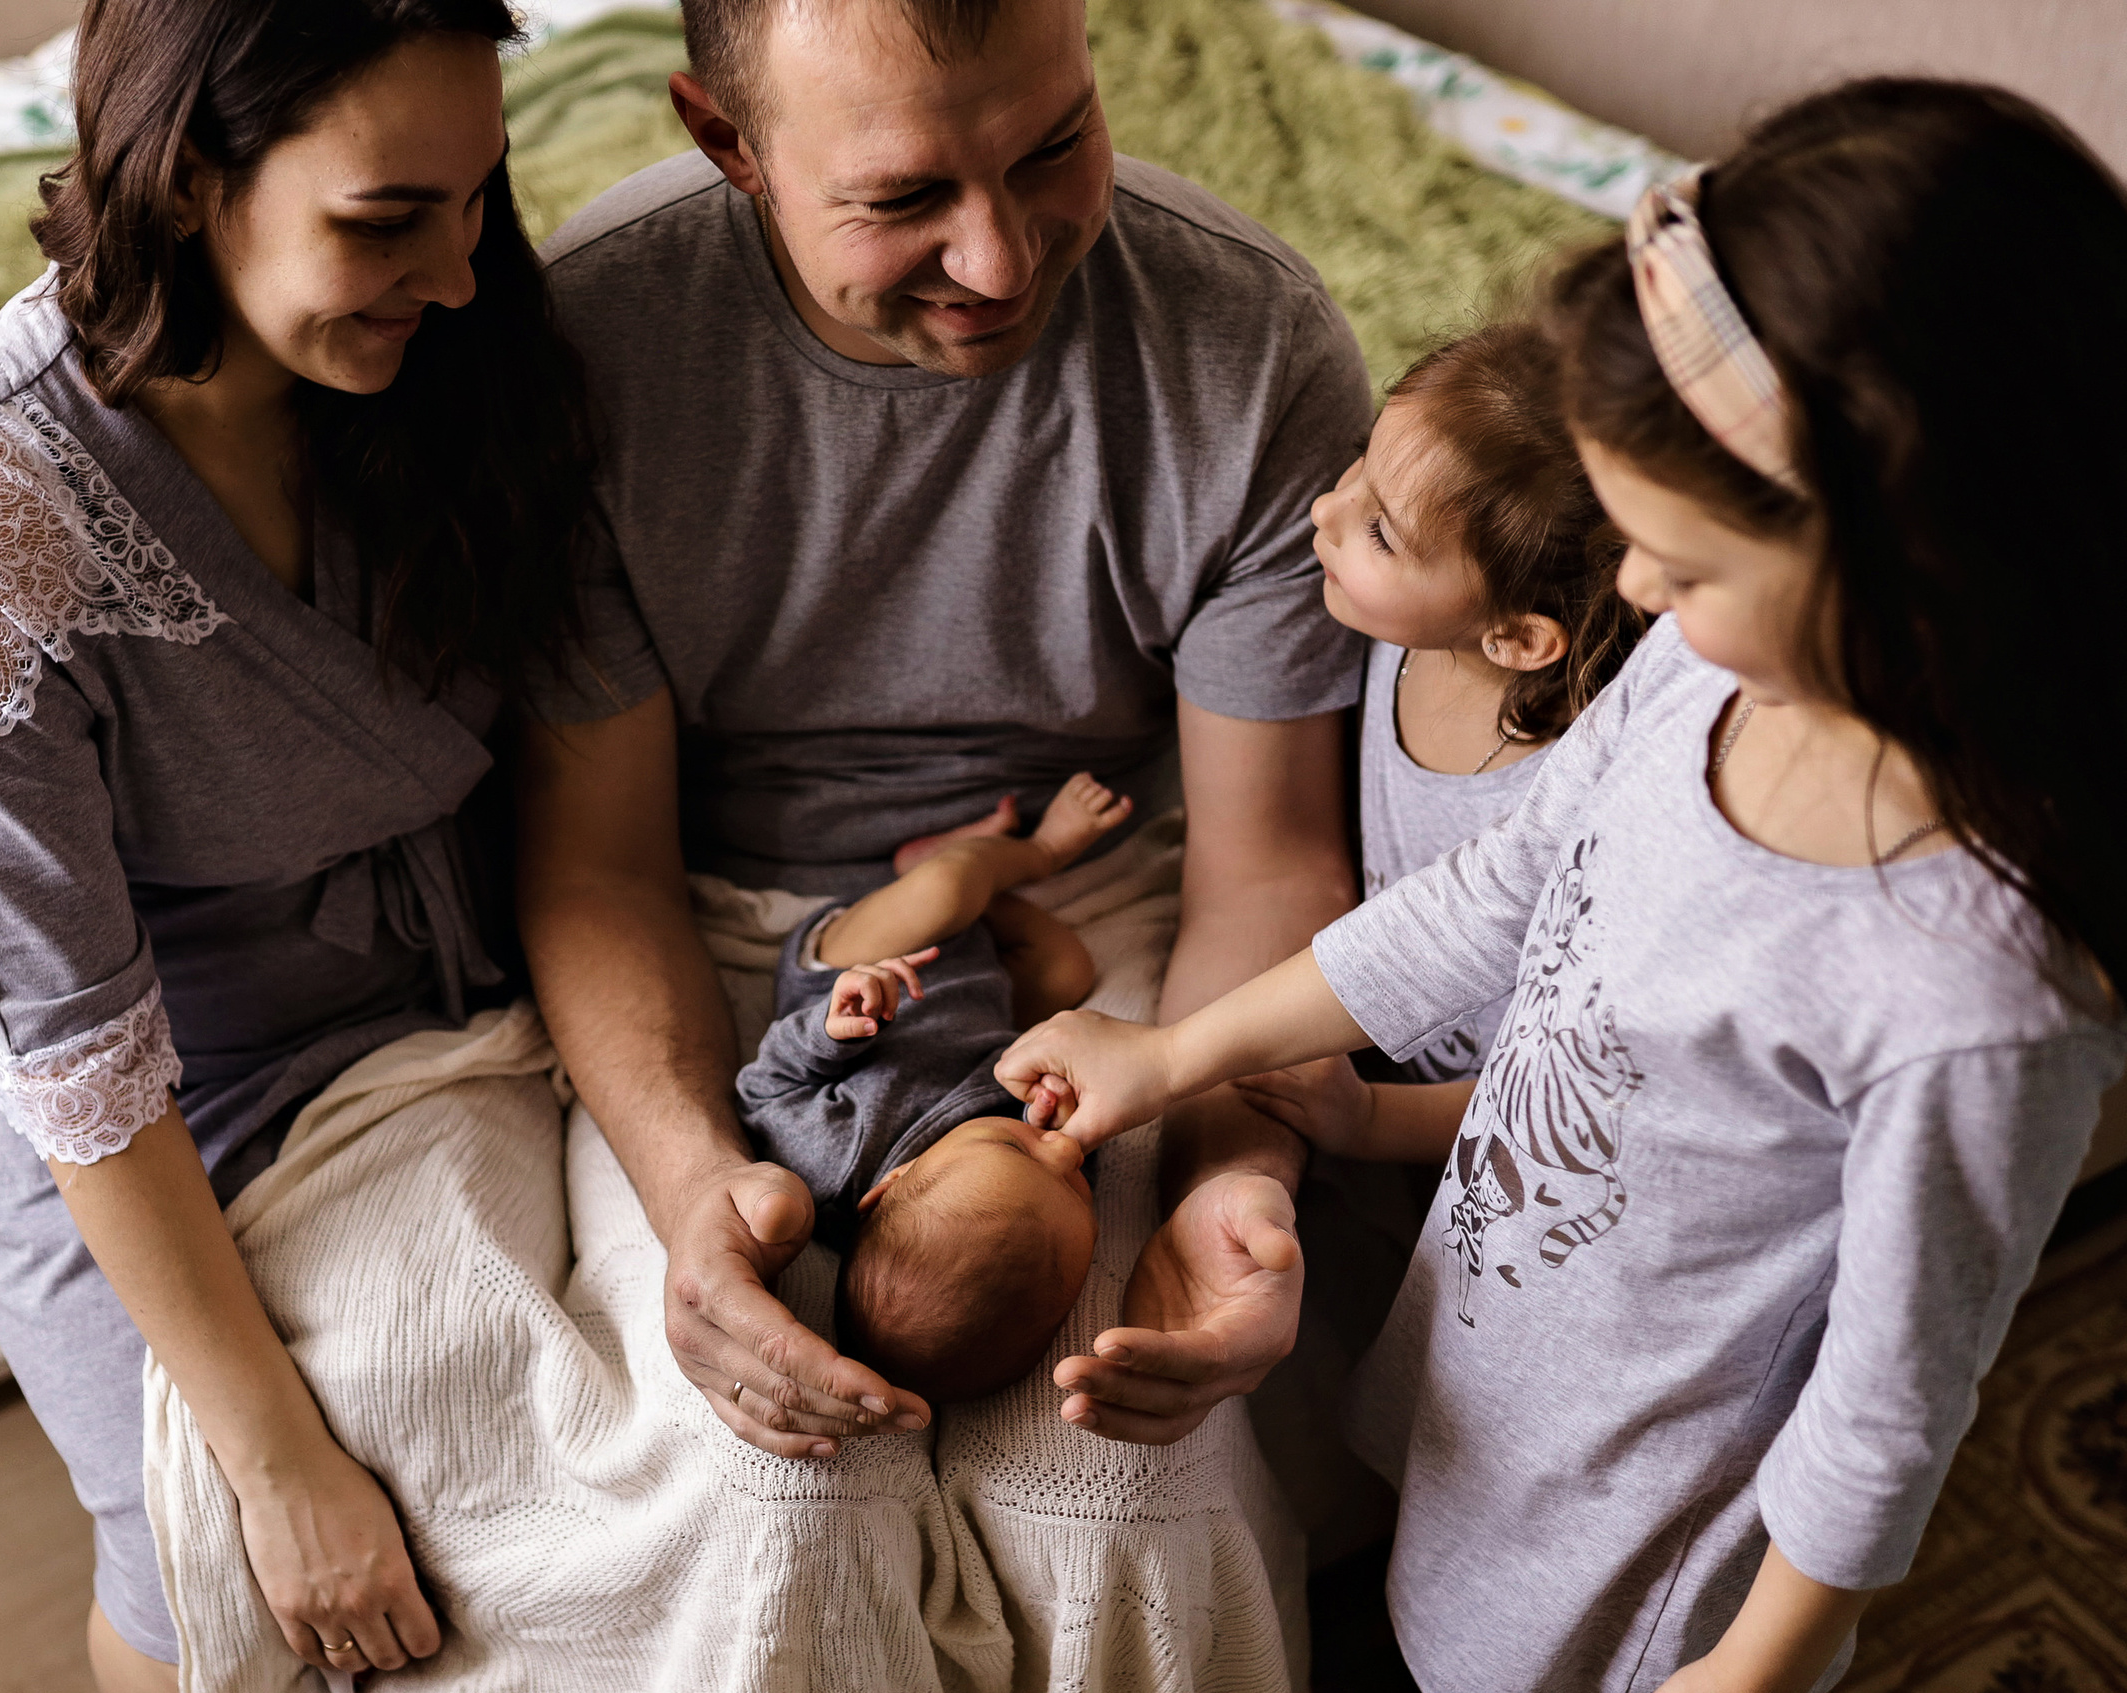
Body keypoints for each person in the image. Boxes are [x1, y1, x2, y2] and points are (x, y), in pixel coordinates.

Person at [995, 79, 2127, 1693]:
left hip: (1644, 1519)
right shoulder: (1702, 674)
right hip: (1504, 1345)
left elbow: (1889, 1396)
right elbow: (1495, 894)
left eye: (1687, 561)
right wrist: (1176, 1054)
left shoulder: (1976, 1002)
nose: (1636, 588)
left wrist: (1756, 1668)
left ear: (1913, 562)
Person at [516, 0, 1370, 1496]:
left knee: (1124, 1486)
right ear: (729, 142)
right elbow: (599, 869)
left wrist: (1228, 1183)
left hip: (1090, 896)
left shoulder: (1251, 348)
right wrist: (699, 1183)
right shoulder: (581, 355)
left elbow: (1269, 859)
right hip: (706, 920)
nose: (1001, 260)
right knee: (759, 1487)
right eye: (902, 197)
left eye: (1054, 145)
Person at [0, 1, 593, 1693]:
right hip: (143, 1098)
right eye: (388, 219)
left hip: (456, 967)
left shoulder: (458, 354)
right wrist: (273, 1457)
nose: (459, 273)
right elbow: (74, 1050)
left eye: (478, 197)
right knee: (209, 1566)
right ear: (191, 177)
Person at [1234, 320, 1641, 1165]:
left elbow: (1568, 1091)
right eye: (1362, 464)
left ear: (1515, 639)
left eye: (1382, 532)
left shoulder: (1572, 807)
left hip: (1466, 1144)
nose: (1326, 509)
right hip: (1359, 1035)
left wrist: (1370, 1121)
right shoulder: (1403, 628)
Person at [735, 773, 1137, 1401]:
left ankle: (1030, 854)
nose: (1064, 1152)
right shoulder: (1040, 1177)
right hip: (984, 995)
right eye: (1078, 1190)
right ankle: (972, 878)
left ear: (890, 1185)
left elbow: (765, 1091)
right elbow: (1067, 1135)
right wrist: (1063, 1101)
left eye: (1017, 1148)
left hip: (862, 964)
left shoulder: (836, 1162)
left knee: (945, 888)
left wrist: (830, 1032)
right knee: (1067, 969)